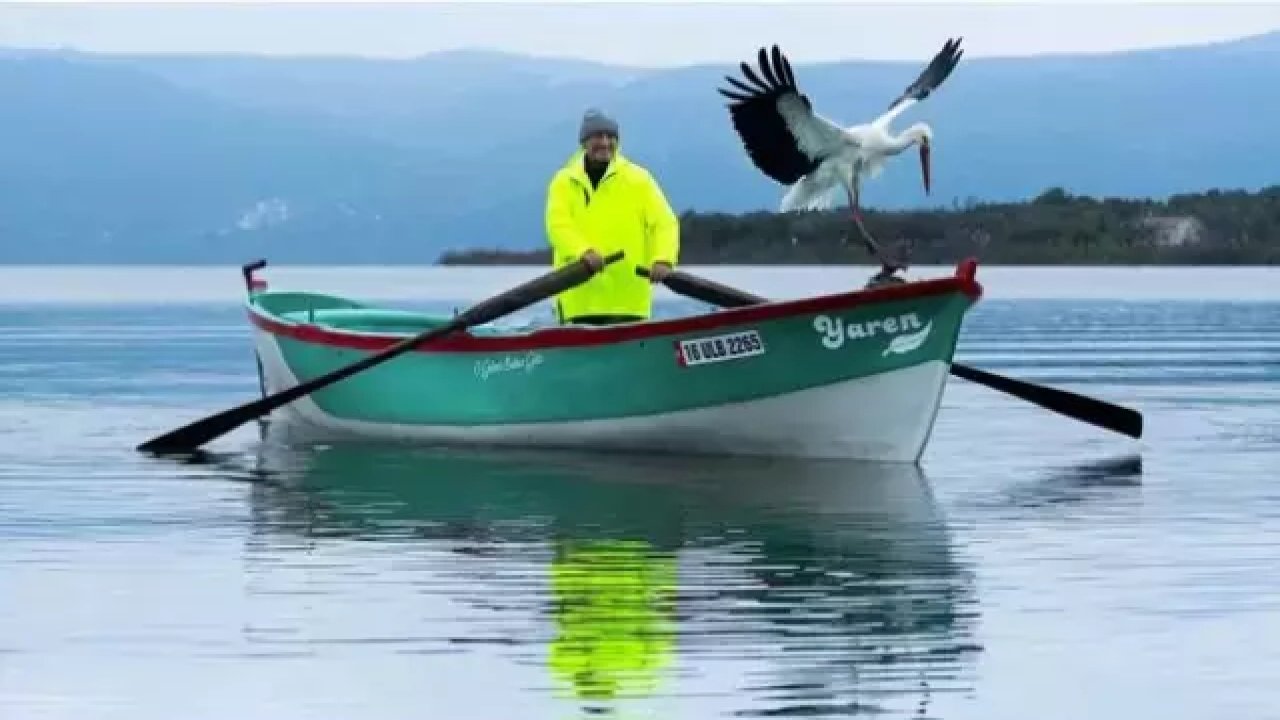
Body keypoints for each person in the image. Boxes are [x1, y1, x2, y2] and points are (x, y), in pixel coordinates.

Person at [544, 108, 680, 325]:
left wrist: (663, 258)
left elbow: (664, 223)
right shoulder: (563, 181)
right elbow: (558, 225)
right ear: (584, 142)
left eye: (611, 137)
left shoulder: (639, 179)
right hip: (579, 301)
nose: (605, 143)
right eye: (598, 136)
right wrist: (583, 251)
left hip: (629, 301)